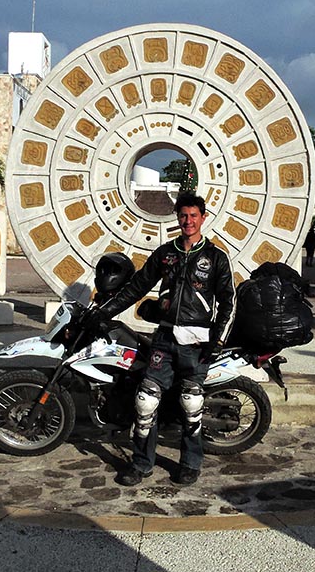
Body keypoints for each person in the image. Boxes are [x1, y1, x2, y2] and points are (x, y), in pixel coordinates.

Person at [89, 191, 235, 487]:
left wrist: (216, 340)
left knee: (192, 404)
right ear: (177, 218)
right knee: (145, 402)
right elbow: (136, 287)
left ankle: (191, 463)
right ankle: (142, 463)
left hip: (197, 343)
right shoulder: (165, 254)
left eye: (194, 215)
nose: (188, 221)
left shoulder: (216, 257)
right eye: (183, 216)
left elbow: (228, 302)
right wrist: (104, 313)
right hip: (165, 338)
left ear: (203, 218)